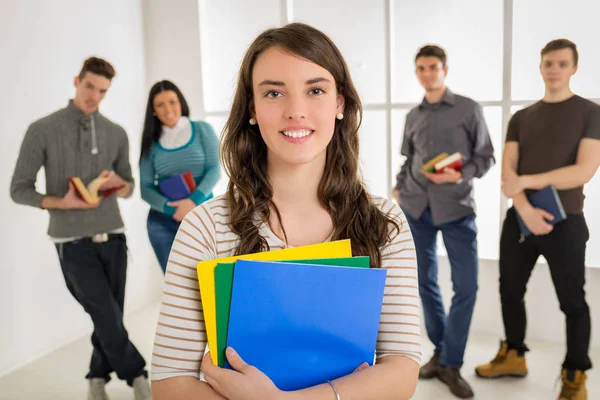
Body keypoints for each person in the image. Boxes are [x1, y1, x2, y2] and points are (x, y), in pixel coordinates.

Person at [150, 22, 421, 400]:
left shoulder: (383, 224)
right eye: (274, 92)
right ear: (252, 108)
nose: (296, 111)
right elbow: (169, 384)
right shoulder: (205, 228)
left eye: (315, 90)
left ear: (339, 102)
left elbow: (403, 370)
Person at [10, 57, 151, 399]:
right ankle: (138, 376)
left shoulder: (115, 133)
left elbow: (131, 186)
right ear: (77, 81)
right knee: (104, 312)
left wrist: (120, 182)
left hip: (113, 236)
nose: (94, 96)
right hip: (70, 241)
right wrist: (64, 203)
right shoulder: (42, 129)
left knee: (109, 317)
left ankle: (96, 377)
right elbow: (19, 189)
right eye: (89, 86)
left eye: (102, 91)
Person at [475, 39, 600, 400]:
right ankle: (514, 355)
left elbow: (583, 171)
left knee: (572, 302)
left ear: (574, 68)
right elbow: (508, 176)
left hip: (567, 223)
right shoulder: (521, 118)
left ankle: (575, 373)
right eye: (548, 62)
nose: (554, 69)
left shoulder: (590, 113)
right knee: (509, 291)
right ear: (541, 66)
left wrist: (528, 182)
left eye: (562, 63)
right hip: (520, 220)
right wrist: (526, 210)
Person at [392, 45, 495, 398]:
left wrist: (459, 175)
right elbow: (409, 161)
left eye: (433, 67)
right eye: (421, 67)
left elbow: (486, 158)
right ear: (417, 72)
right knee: (424, 283)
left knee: (467, 287)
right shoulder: (412, 116)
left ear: (445, 69)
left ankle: (452, 363)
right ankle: (441, 354)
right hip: (417, 210)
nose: (427, 73)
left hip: (457, 210)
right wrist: (399, 188)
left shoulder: (469, 109)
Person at [139, 80, 221, 273]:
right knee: (176, 286)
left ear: (180, 102)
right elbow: (145, 187)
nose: (168, 109)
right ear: (153, 110)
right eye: (160, 104)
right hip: (163, 223)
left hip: (202, 216)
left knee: (209, 280)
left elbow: (214, 169)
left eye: (172, 101)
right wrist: (170, 209)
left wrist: (192, 203)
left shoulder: (202, 130)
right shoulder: (151, 143)